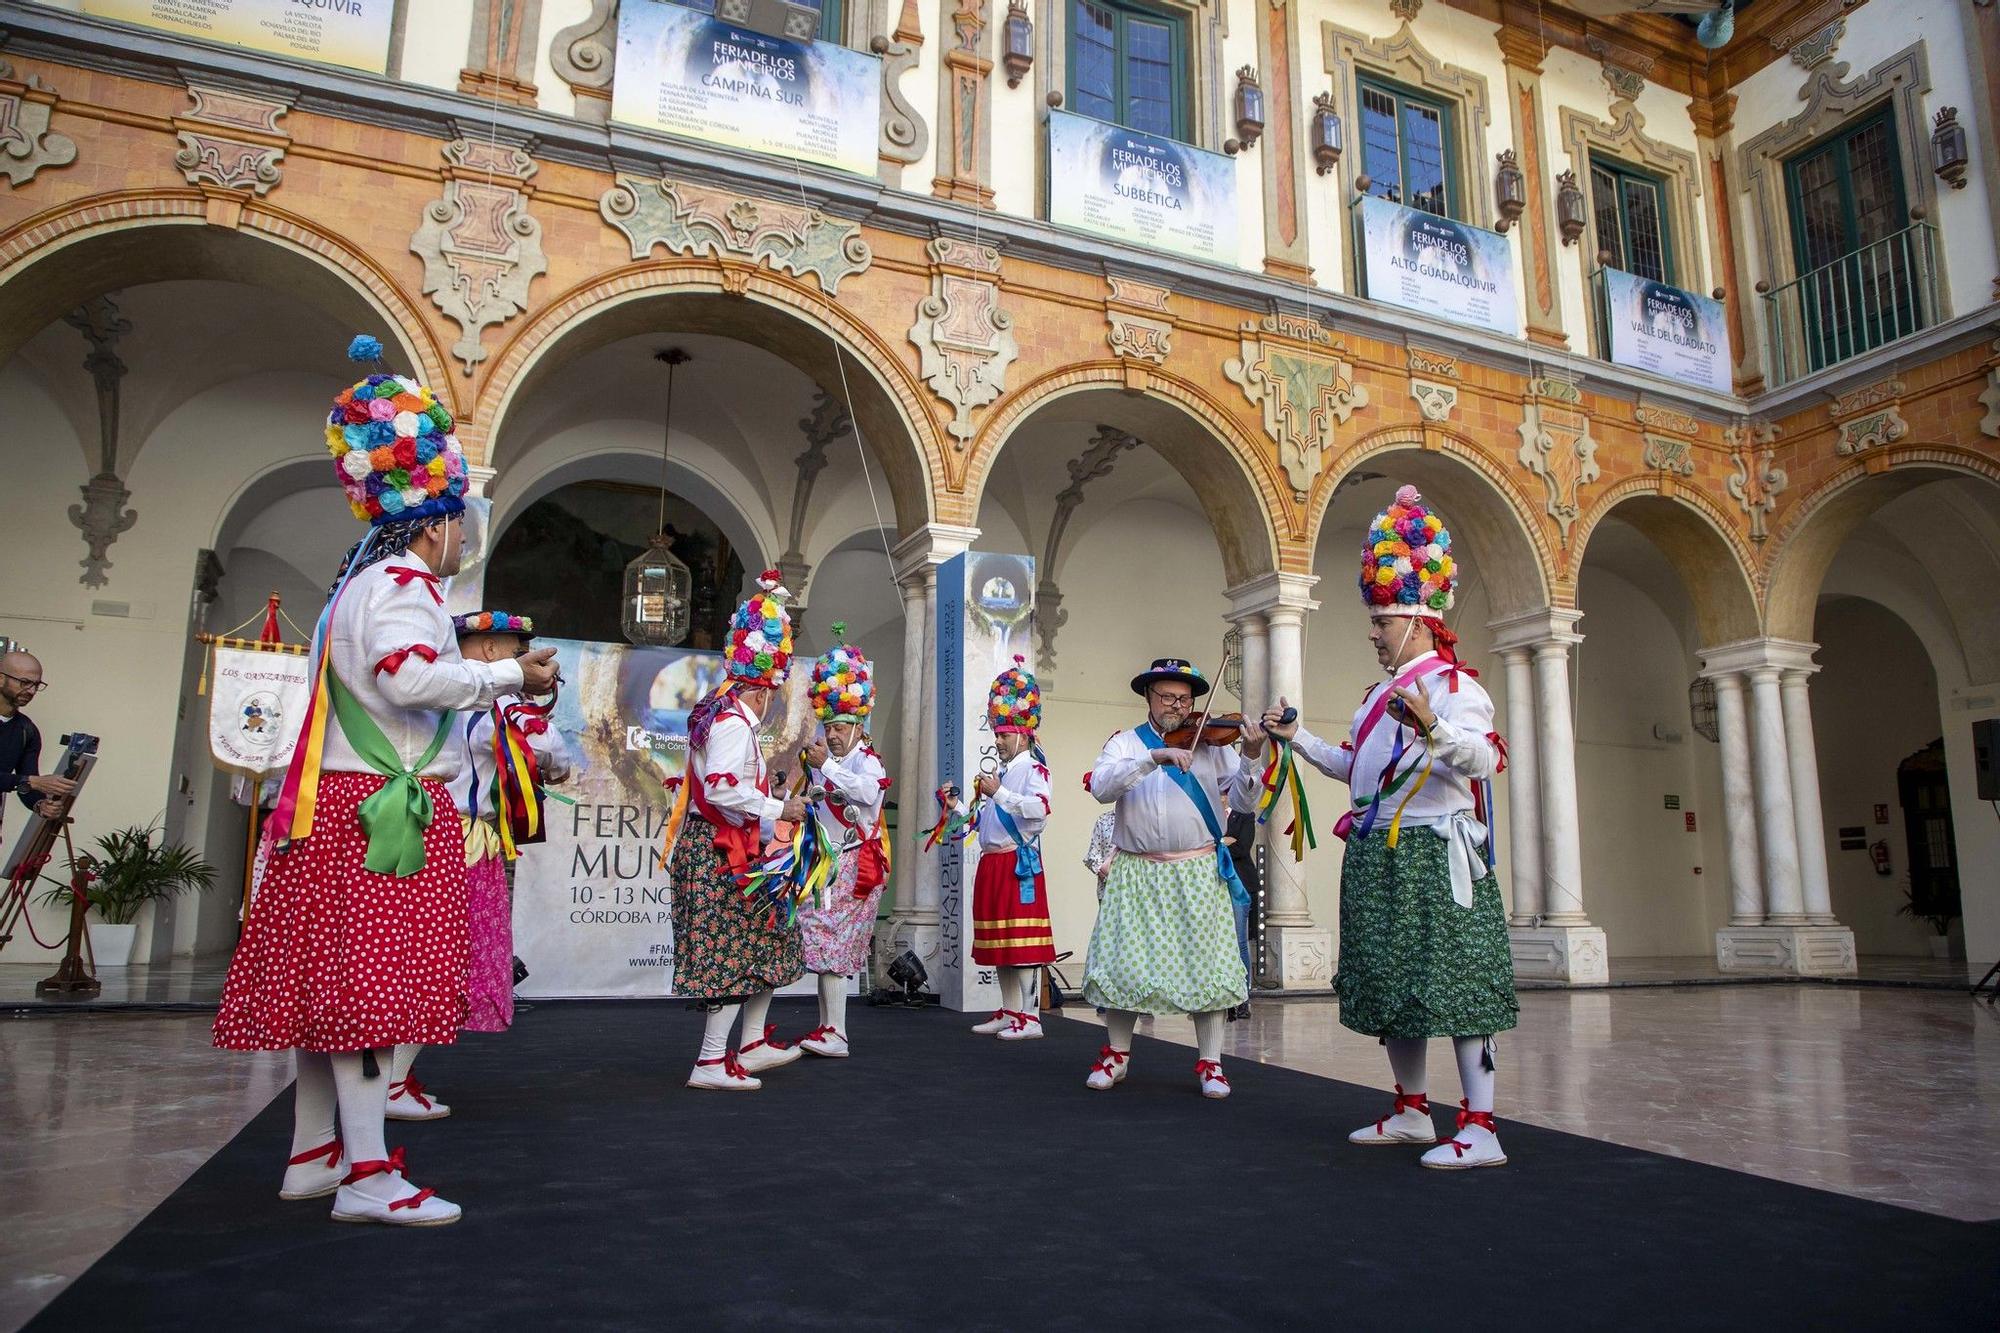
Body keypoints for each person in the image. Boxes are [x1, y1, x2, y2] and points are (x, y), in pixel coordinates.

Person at [212, 336, 560, 1226]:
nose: (461, 541)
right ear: (435, 520)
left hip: (343, 808)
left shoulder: (359, 585)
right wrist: (509, 676)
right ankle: (368, 1174)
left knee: (330, 992)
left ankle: (312, 1155)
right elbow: (409, 679)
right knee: (371, 994)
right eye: (459, 523)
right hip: (382, 813)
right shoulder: (403, 584)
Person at [1259, 484, 1516, 1169]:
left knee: (1455, 981)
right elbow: (1357, 770)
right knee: (1394, 983)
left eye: (1380, 621)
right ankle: (1411, 1110)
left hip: (1437, 852)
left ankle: (1482, 1124)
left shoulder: (1457, 687)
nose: (1372, 632)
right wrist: (1296, 738)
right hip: (1379, 854)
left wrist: (1432, 725)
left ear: (1415, 618)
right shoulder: (1379, 695)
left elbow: (1485, 757)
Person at [385, 611, 572, 1122]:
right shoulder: (497, 703)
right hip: (460, 843)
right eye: (516, 649)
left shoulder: (432, 693)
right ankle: (392, 1082)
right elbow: (554, 757)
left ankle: (389, 1077)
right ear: (489, 650)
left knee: (420, 961)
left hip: (417, 836)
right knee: (443, 962)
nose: (525, 660)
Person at [1082, 658, 1260, 1098]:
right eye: (1167, 697)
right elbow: (1102, 787)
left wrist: (1252, 759)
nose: (1177, 706)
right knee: (1124, 963)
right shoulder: (1124, 744)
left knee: (1211, 965)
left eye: (1184, 698)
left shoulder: (1215, 746)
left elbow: (1244, 801)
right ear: (1148, 697)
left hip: (1198, 869)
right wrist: (1153, 758)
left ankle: (1212, 1064)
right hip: (1136, 870)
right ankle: (1117, 1055)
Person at [666, 571, 809, 1090]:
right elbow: (725, 791)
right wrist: (778, 808)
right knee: (727, 952)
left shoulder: (724, 718)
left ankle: (748, 1044)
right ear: (762, 690)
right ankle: (709, 1061)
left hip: (730, 847)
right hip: (718, 849)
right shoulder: (731, 722)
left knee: (766, 937)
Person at [793, 623, 891, 1059]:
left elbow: (868, 794)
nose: (831, 734)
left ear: (857, 726)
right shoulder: (826, 762)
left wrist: (826, 771)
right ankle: (827, 1027)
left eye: (839, 727)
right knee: (821, 939)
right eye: (827, 726)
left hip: (857, 864)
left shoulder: (867, 760)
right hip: (828, 862)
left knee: (832, 942)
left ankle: (837, 1033)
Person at [954, 657, 1054, 1041]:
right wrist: (958, 808)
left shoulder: (1034, 770)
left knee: (1023, 944)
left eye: (1004, 734)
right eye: (997, 733)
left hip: (1019, 863)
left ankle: (1030, 1018)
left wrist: (1001, 793)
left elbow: (1039, 812)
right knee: (999, 943)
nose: (997, 740)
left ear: (1024, 735)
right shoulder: (1006, 772)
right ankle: (1010, 1011)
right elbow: (986, 823)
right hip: (993, 862)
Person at [0, 650, 75, 830]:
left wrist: (40, 805)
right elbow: (25, 780)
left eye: (36, 684)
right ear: (1, 678)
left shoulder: (27, 730)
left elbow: (25, 786)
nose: (32, 691)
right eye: (24, 682)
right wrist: (32, 781)